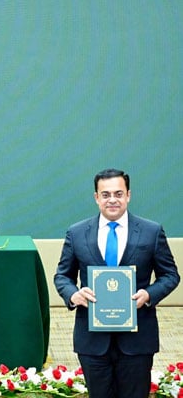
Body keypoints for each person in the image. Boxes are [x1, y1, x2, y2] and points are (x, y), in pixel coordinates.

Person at [53, 168, 179, 398]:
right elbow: (62, 276)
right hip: (92, 339)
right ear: (96, 197)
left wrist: (149, 295)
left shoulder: (151, 231)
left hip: (138, 339)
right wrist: (73, 295)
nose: (112, 200)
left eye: (118, 194)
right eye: (106, 194)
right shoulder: (77, 233)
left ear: (128, 195)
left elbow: (170, 275)